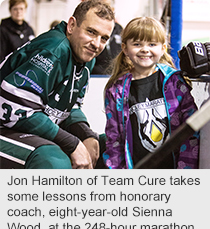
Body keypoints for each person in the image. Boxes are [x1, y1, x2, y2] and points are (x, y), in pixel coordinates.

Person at [0, 0, 115, 169]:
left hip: (25, 129)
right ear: (71, 25)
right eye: (91, 32)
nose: (97, 44)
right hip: (5, 126)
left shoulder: (86, 58)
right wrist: (73, 143)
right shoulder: (54, 50)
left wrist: (86, 134)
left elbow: (69, 107)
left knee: (110, 145)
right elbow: (17, 109)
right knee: (53, 160)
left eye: (104, 38)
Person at [103, 17, 199, 169]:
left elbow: (190, 130)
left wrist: (185, 172)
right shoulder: (116, 91)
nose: (145, 49)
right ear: (125, 48)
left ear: (163, 48)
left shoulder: (175, 83)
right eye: (137, 44)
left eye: (152, 44)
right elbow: (114, 140)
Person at [90, 0, 123, 74]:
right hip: (94, 77)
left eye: (106, 7)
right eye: (99, 6)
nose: (102, 10)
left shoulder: (119, 29)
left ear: (113, 10)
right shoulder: (89, 29)